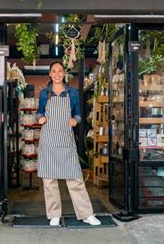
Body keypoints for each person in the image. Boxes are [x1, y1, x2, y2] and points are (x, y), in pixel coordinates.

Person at [36, 61, 101, 226]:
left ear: (64, 73)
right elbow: (39, 112)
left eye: (60, 71)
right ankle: (54, 214)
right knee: (49, 180)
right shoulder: (45, 94)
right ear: (50, 74)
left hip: (66, 140)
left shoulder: (72, 93)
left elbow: (79, 114)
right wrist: (40, 118)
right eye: (53, 71)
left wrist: (75, 120)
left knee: (75, 178)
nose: (57, 74)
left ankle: (86, 214)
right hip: (49, 141)